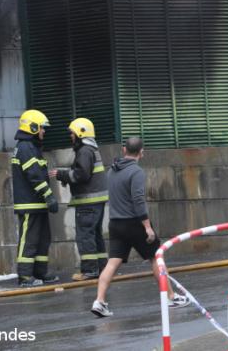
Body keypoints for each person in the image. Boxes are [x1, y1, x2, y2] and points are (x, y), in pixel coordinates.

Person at [91, 137, 186, 317]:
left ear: (124, 150)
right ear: (142, 152)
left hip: (115, 223)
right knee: (156, 257)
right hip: (134, 223)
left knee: (112, 263)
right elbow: (138, 200)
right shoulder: (136, 172)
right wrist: (147, 227)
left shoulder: (111, 171)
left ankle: (100, 301)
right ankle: (171, 297)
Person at [50, 118, 109, 281]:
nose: (71, 136)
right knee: (95, 235)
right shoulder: (91, 150)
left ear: (80, 133)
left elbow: (81, 174)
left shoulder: (84, 151)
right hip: (95, 202)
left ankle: (90, 271)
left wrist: (61, 174)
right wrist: (67, 176)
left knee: (85, 236)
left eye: (72, 133)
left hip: (88, 203)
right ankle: (103, 268)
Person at [11, 109, 60, 287]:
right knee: (29, 240)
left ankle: (40, 272)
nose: (44, 132)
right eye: (42, 128)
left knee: (42, 239)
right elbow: (34, 176)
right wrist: (49, 196)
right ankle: (25, 276)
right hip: (29, 204)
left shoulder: (31, 148)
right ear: (32, 127)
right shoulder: (25, 148)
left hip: (37, 203)